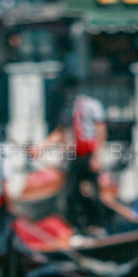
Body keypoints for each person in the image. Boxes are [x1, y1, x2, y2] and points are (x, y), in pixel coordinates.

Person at [31, 81, 106, 231]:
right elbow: (60, 132)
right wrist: (41, 148)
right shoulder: (68, 109)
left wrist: (97, 157)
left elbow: (100, 130)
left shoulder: (92, 105)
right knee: (72, 194)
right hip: (75, 156)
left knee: (93, 192)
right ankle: (79, 228)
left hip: (90, 154)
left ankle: (97, 226)